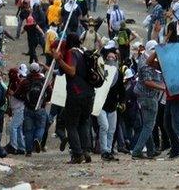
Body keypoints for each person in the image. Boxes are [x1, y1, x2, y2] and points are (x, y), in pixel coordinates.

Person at [53, 33, 95, 164]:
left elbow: (71, 71)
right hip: (88, 93)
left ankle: (77, 154)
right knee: (83, 122)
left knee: (71, 124)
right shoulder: (83, 53)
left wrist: (59, 60)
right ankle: (86, 151)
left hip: (76, 93)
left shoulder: (72, 53)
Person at [131, 41, 165, 159]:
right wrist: (163, 88)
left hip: (143, 95)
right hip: (148, 96)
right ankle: (137, 151)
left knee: (147, 124)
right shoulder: (146, 63)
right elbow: (147, 82)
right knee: (149, 125)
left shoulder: (144, 58)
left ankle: (151, 150)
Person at [15, 63, 50, 156]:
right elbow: (50, 93)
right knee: (41, 127)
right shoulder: (44, 81)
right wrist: (44, 101)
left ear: (29, 70)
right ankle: (37, 140)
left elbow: (17, 94)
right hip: (40, 109)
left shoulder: (25, 81)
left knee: (28, 130)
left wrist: (25, 100)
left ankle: (29, 151)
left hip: (28, 109)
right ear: (39, 70)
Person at [98, 52, 124, 161]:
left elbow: (121, 89)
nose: (110, 59)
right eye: (108, 57)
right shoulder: (100, 72)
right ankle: (103, 150)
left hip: (113, 106)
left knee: (111, 130)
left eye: (113, 57)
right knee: (104, 127)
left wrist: (122, 101)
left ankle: (108, 150)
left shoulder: (118, 74)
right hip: (101, 105)